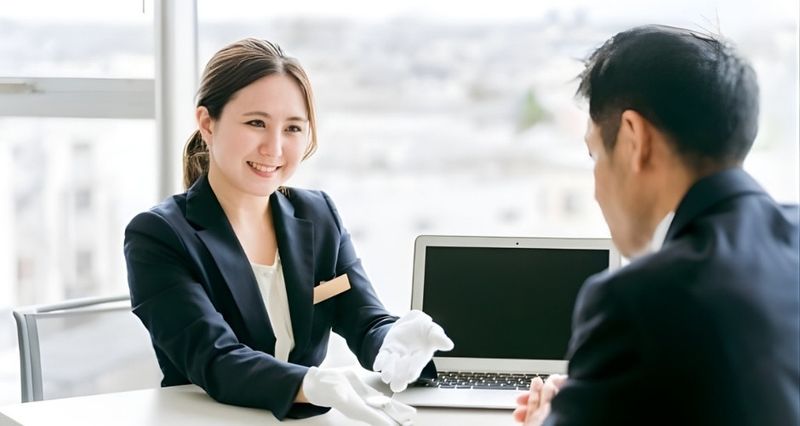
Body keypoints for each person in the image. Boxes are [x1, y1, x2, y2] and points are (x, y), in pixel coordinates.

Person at [124, 38, 453, 424]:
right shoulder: (158, 235)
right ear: (207, 124)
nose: (274, 148)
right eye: (256, 123)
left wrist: (392, 343)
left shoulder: (318, 215)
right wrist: (309, 384)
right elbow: (214, 358)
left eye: (293, 128)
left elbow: (365, 319)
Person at [514, 25, 799, 425]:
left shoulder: (636, 300)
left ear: (634, 139)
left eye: (594, 154)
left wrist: (550, 418)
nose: (596, 189)